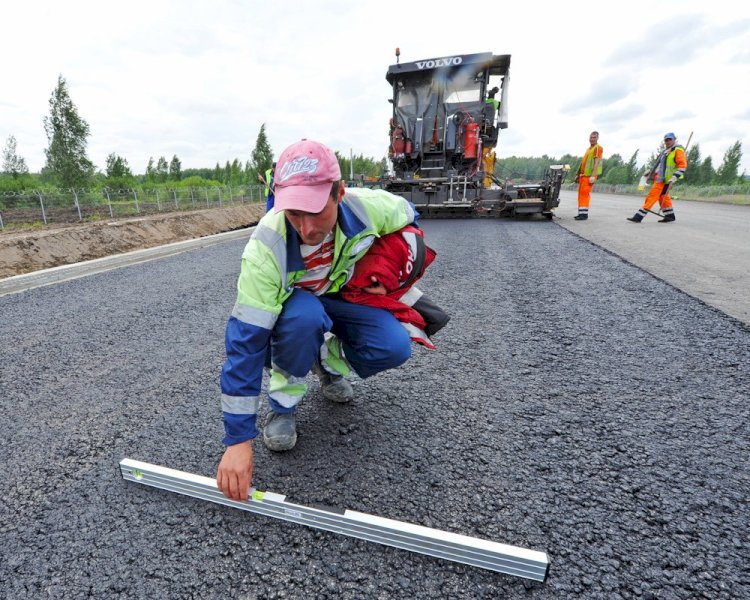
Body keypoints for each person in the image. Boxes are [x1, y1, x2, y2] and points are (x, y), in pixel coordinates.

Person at [216, 139, 427, 501]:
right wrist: (238, 440)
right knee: (303, 317)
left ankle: (325, 361)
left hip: (342, 296)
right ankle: (283, 408)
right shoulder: (265, 248)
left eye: (315, 211)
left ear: (339, 194)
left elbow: (409, 218)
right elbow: (245, 345)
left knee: (394, 346)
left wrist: (387, 267)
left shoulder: (369, 208)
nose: (306, 228)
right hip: (299, 312)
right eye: (294, 213)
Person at [627, 132, 687, 223]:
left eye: (670, 139)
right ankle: (670, 216)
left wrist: (675, 177)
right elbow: (660, 166)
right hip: (659, 177)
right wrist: (651, 172)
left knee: (652, 196)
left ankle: (638, 217)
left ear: (674, 140)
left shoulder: (677, 150)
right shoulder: (666, 151)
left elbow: (682, 166)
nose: (667, 141)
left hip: (666, 179)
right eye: (666, 140)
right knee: (663, 197)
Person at [574, 131, 603, 220]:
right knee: (581, 194)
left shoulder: (598, 148)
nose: (592, 139)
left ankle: (583, 215)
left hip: (589, 176)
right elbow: (583, 163)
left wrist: (593, 176)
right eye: (591, 137)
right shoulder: (589, 149)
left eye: (594, 137)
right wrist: (578, 174)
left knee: (584, 194)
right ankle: (581, 213)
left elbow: (597, 162)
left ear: (597, 138)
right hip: (583, 175)